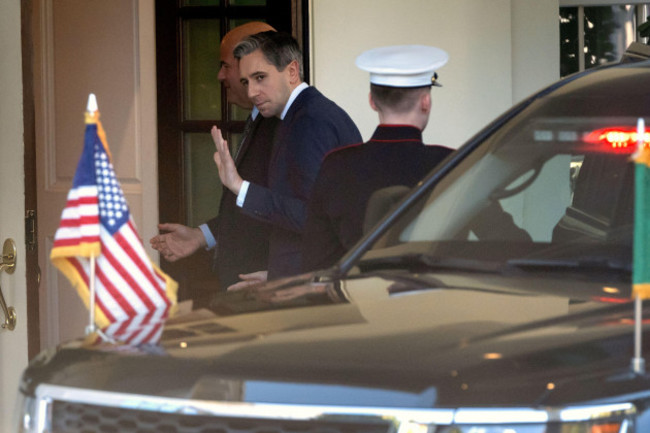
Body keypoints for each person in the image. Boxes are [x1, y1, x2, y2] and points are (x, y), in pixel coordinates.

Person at [211, 31, 362, 282]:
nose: (251, 92)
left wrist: (239, 186)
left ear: (292, 71)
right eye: (247, 82)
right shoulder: (304, 115)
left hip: (312, 292)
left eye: (260, 77)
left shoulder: (309, 121)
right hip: (308, 279)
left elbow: (311, 216)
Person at [301, 45, 455, 272]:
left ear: (372, 101)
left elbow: (316, 261)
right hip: (434, 301)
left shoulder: (337, 165)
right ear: (425, 102)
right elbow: (497, 240)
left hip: (359, 301)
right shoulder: (451, 164)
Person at [150, 22, 279, 291]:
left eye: (226, 65)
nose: (220, 76)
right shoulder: (260, 118)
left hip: (263, 291)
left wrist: (281, 274)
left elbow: (287, 209)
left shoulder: (283, 125)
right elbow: (247, 211)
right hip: (241, 288)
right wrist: (200, 236)